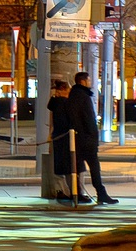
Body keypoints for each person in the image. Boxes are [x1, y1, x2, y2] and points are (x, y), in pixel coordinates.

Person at [71, 72, 117, 204]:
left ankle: (78, 193)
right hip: (86, 139)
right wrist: (92, 136)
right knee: (94, 168)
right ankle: (100, 194)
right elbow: (88, 119)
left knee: (78, 168)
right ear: (83, 81)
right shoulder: (83, 97)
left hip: (78, 138)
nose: (90, 83)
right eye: (89, 80)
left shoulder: (74, 95)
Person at [48, 78, 78, 201]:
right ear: (63, 90)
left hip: (57, 137)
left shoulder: (54, 103)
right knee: (68, 166)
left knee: (59, 165)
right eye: (68, 89)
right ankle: (71, 192)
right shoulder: (65, 103)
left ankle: (61, 190)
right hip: (66, 138)